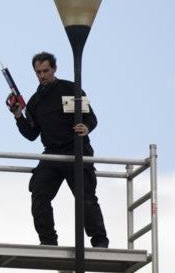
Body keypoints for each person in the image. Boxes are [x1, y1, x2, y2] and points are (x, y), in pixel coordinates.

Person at [6, 51, 109, 248]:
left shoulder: (71, 89)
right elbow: (31, 134)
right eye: (38, 72)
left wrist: (86, 127)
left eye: (46, 71)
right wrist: (18, 115)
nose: (42, 75)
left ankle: (100, 241)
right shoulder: (35, 102)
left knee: (85, 198)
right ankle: (48, 242)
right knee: (39, 194)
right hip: (52, 153)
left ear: (54, 69)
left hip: (76, 150)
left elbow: (91, 118)